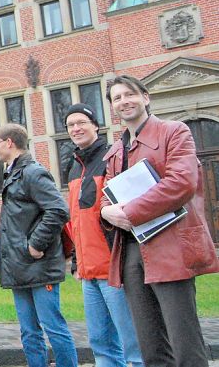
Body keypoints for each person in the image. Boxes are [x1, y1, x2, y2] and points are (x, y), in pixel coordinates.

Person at [100, 75, 219, 366]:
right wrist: (106, 211)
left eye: (129, 94)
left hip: (171, 247)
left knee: (185, 343)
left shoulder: (173, 132)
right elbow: (107, 193)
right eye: (117, 98)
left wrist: (130, 212)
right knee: (150, 345)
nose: (124, 101)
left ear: (145, 97)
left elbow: (182, 182)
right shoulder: (116, 150)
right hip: (130, 252)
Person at [62, 103, 144, 367]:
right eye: (70, 125)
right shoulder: (74, 167)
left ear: (96, 125)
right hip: (88, 273)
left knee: (134, 345)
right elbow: (77, 221)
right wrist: (76, 260)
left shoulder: (112, 158)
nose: (76, 128)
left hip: (114, 269)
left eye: (81, 122)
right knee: (101, 346)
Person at [0, 123, 77, 367]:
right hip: (19, 266)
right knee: (29, 330)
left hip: (38, 265)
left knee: (53, 327)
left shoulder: (32, 173)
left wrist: (35, 244)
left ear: (9, 143)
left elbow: (58, 210)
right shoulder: (14, 173)